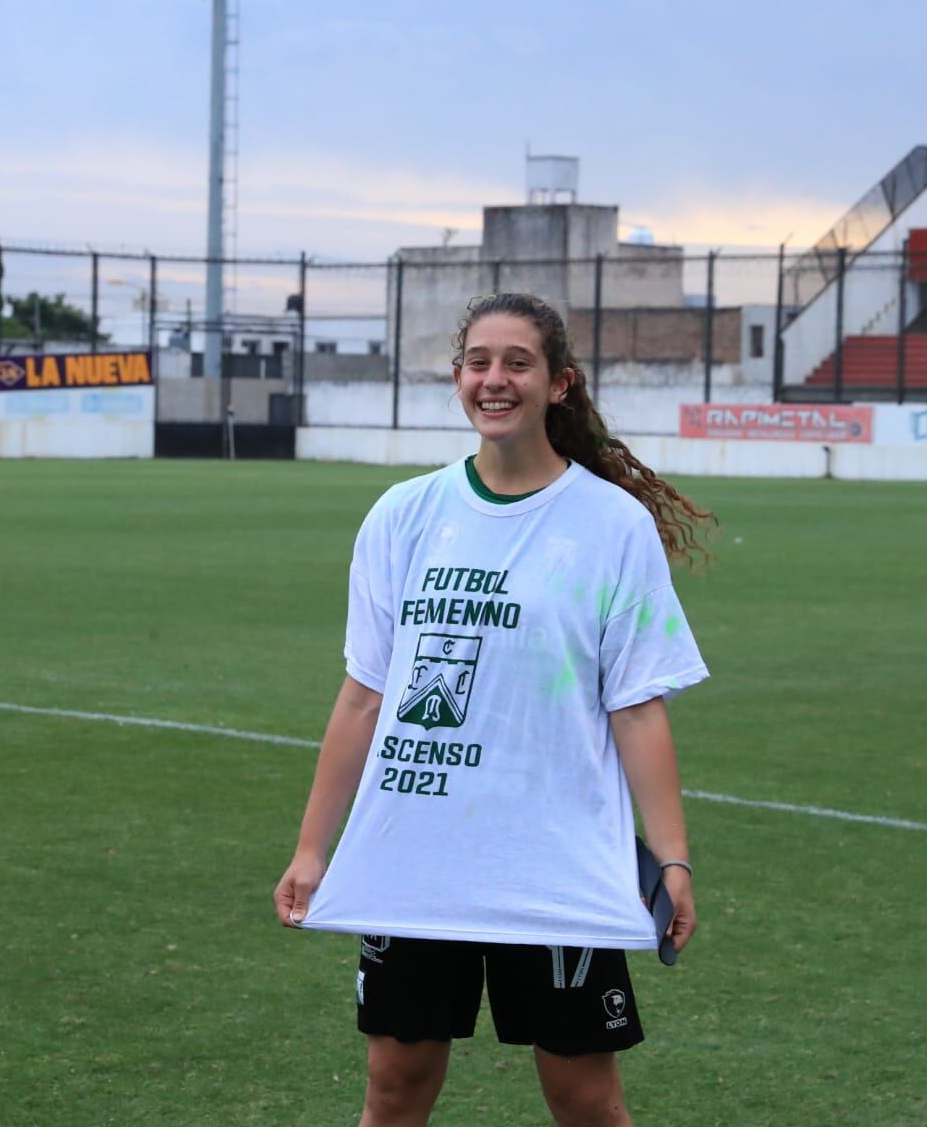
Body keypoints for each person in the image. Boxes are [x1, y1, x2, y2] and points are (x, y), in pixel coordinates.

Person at [273, 292, 713, 1126]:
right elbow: (365, 695)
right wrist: (310, 847)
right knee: (394, 1086)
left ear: (559, 385)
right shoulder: (406, 515)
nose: (494, 379)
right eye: (479, 362)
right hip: (417, 858)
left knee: (584, 1097)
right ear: (458, 378)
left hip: (553, 860)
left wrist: (674, 859)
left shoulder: (610, 525)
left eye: (518, 363)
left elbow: (638, 709)